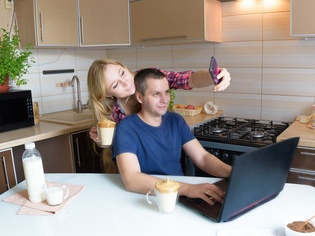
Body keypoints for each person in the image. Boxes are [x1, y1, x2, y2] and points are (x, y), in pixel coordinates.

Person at [87, 59, 231, 173]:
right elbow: (122, 150)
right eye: (116, 85)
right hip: (135, 171)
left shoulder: (146, 78)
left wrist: (214, 75)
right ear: (108, 94)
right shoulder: (111, 112)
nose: (126, 82)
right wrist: (106, 140)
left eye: (122, 73)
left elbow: (189, 79)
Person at [112, 68, 232, 205]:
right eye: (156, 94)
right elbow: (132, 179)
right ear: (140, 97)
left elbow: (202, 158)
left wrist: (232, 172)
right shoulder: (125, 128)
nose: (164, 100)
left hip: (179, 194)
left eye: (167, 92)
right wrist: (187, 188)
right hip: (147, 199)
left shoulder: (176, 120)